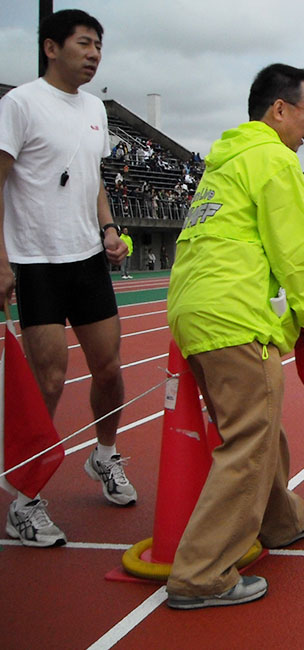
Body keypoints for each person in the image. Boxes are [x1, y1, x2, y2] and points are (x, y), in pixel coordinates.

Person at [165, 63, 304, 609]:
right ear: (280, 109)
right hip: (233, 318)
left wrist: (297, 323)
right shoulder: (274, 159)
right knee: (249, 440)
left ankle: (281, 521)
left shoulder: (225, 162)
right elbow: (295, 246)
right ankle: (201, 572)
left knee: (259, 429)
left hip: (197, 312)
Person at [0, 9, 136, 548]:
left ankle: (104, 456)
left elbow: (94, 178)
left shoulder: (96, 108)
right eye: (84, 43)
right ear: (51, 47)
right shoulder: (19, 104)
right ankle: (26, 500)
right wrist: (1, 259)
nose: (94, 53)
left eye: (99, 45)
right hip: (35, 260)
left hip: (86, 258)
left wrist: (107, 228)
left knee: (109, 369)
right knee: (50, 381)